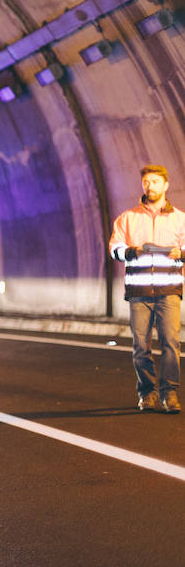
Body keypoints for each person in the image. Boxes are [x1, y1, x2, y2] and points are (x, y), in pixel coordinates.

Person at [109, 164, 183, 414]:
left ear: (165, 185)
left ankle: (170, 394)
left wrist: (180, 253)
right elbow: (114, 249)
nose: (149, 186)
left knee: (171, 343)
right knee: (141, 346)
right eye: (146, 183)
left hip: (169, 291)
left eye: (154, 182)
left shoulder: (180, 219)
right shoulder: (128, 218)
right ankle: (147, 394)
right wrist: (133, 251)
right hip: (139, 293)